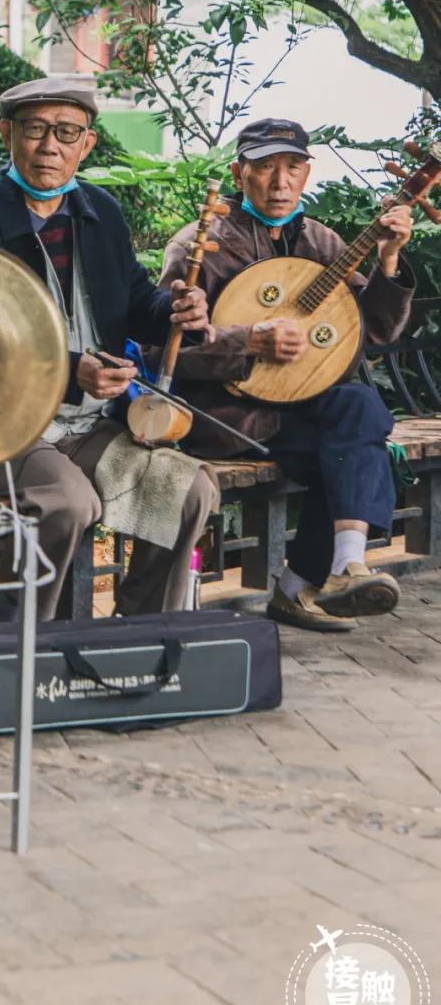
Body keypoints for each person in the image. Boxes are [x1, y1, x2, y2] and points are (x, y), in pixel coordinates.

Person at [0, 76, 217, 619]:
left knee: (188, 491)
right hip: (3, 425)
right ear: (6, 134)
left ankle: (141, 632)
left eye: (67, 132)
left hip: (90, 421)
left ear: (87, 143)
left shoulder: (99, 212)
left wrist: (176, 310)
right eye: (35, 129)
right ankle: (15, 644)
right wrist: (68, 372)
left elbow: (134, 296)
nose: (50, 146)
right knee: (67, 503)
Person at [160, 117, 413, 632]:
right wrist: (248, 339)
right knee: (350, 455)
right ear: (238, 172)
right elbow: (164, 349)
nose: (280, 183)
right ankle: (299, 586)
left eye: (293, 168)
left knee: (361, 408)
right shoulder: (203, 242)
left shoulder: (320, 241)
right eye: (265, 168)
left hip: (301, 403)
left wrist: (388, 259)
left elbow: (376, 331)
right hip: (229, 414)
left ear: (307, 174)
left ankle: (346, 566)